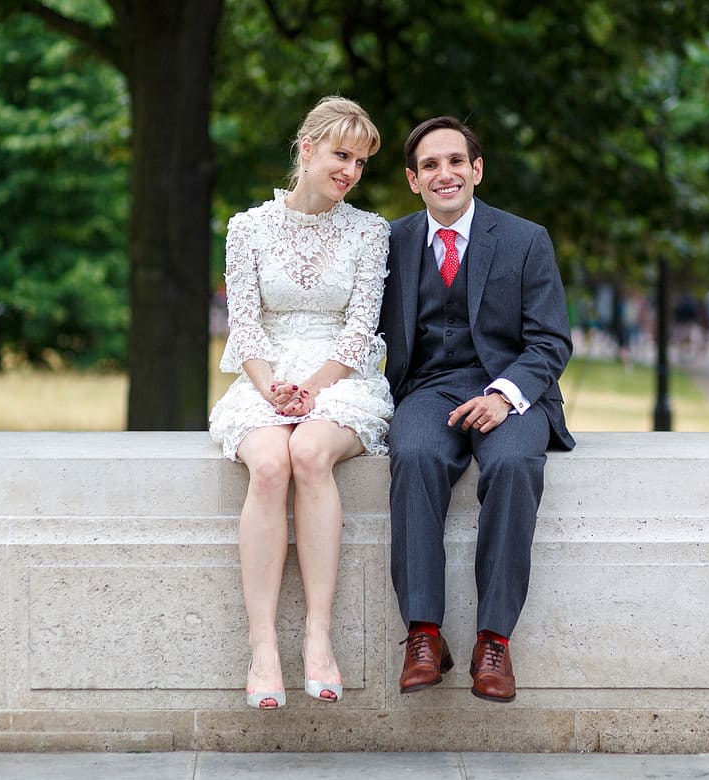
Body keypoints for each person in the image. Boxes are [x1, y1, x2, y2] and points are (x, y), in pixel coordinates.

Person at [377, 116, 574, 703]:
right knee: (411, 455)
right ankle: (423, 633)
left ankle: (494, 641)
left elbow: (551, 341)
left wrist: (504, 395)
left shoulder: (525, 239)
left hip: (510, 388)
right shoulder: (392, 242)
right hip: (427, 388)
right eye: (430, 165)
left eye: (456, 161)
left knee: (514, 466)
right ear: (414, 180)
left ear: (477, 169)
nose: (445, 174)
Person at [208, 96, 393, 710]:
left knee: (310, 453)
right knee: (269, 464)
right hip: (265, 375)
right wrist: (269, 387)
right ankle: (263, 648)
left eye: (362, 161)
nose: (351, 171)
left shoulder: (370, 232)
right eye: (342, 155)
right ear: (306, 149)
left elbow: (361, 327)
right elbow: (246, 324)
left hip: (341, 376)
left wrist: (314, 387)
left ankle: (318, 639)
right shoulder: (246, 228)